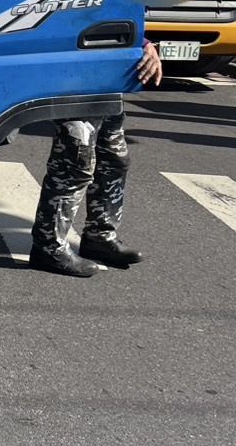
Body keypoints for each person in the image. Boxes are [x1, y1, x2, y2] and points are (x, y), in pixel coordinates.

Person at [28, 40, 163, 277]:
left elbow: (118, 8)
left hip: (108, 71)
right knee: (74, 163)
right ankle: (48, 247)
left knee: (113, 159)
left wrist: (144, 44)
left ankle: (99, 237)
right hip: (75, 67)